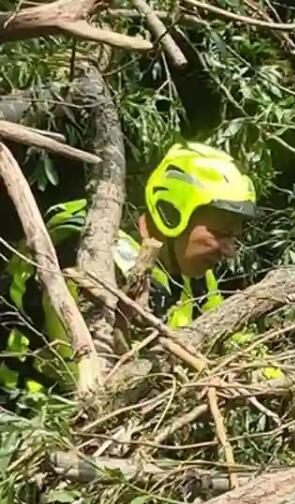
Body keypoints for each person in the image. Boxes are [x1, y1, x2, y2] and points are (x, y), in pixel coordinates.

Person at [1, 142, 257, 396]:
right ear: (172, 212)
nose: (228, 251)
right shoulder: (87, 251)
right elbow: (85, 373)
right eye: (220, 234)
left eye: (234, 237)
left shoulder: (198, 279)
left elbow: (234, 341)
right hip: (30, 413)